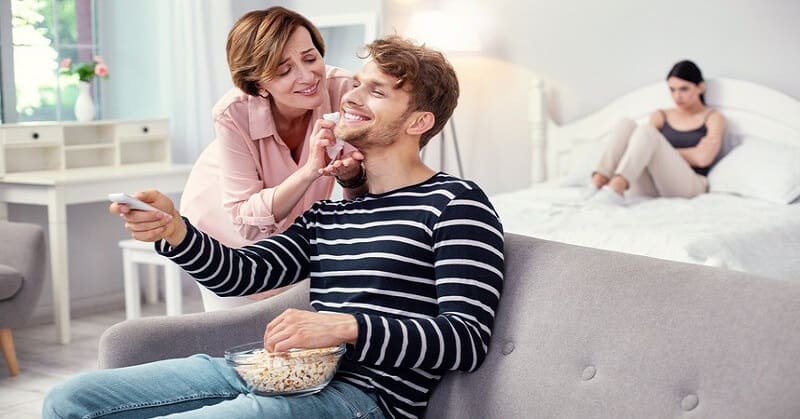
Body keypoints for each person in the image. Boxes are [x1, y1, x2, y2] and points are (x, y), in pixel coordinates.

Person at [44, 36, 504, 419]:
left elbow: (465, 339)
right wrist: (174, 231)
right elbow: (242, 274)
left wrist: (345, 327)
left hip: (362, 398)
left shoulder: (455, 203)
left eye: (377, 92)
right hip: (278, 372)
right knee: (71, 399)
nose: (351, 96)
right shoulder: (333, 212)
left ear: (419, 121)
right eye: (357, 84)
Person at [181, 7, 367, 307]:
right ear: (259, 84)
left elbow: (367, 183)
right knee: (238, 326)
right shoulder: (233, 113)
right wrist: (309, 170)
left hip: (294, 236)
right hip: (225, 227)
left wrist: (353, 175)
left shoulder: (344, 90)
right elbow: (246, 222)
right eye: (284, 70)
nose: (307, 76)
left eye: (310, 58)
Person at [587, 60, 726, 204]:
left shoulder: (713, 117)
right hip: (656, 185)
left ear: (700, 87)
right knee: (625, 124)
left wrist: (661, 150)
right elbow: (643, 148)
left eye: (684, 89)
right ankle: (597, 184)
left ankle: (616, 188)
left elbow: (703, 159)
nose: (677, 96)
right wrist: (690, 152)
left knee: (648, 132)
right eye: (672, 90)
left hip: (690, 186)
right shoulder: (661, 115)